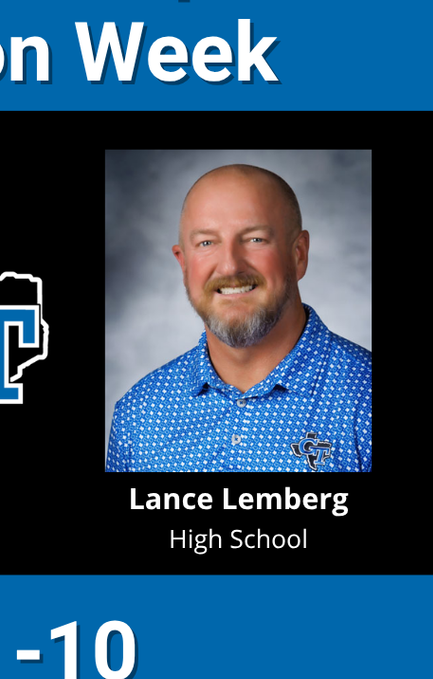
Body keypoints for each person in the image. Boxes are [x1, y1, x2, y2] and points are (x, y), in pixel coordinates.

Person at [106, 164, 370, 472]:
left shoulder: (364, 400)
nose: (230, 266)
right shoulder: (139, 416)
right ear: (184, 264)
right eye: (207, 243)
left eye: (255, 239)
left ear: (299, 254)